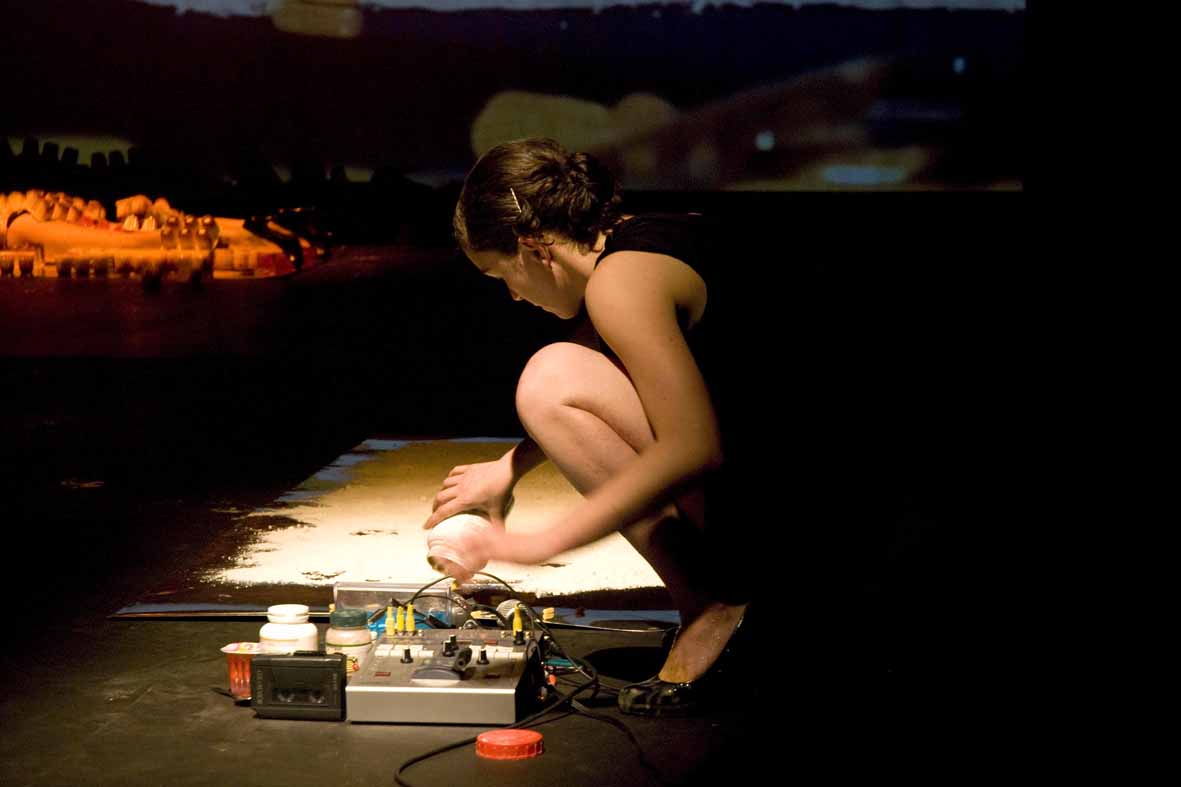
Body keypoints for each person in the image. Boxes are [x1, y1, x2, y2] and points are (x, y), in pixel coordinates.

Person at [424, 138, 753, 717]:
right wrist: (508, 470)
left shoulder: (618, 285)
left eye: (502, 274)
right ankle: (719, 600)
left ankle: (715, 608)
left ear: (534, 248)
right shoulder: (646, 243)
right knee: (559, 373)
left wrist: (540, 543)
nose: (513, 296)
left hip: (815, 520)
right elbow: (597, 363)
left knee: (547, 377)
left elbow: (694, 446)